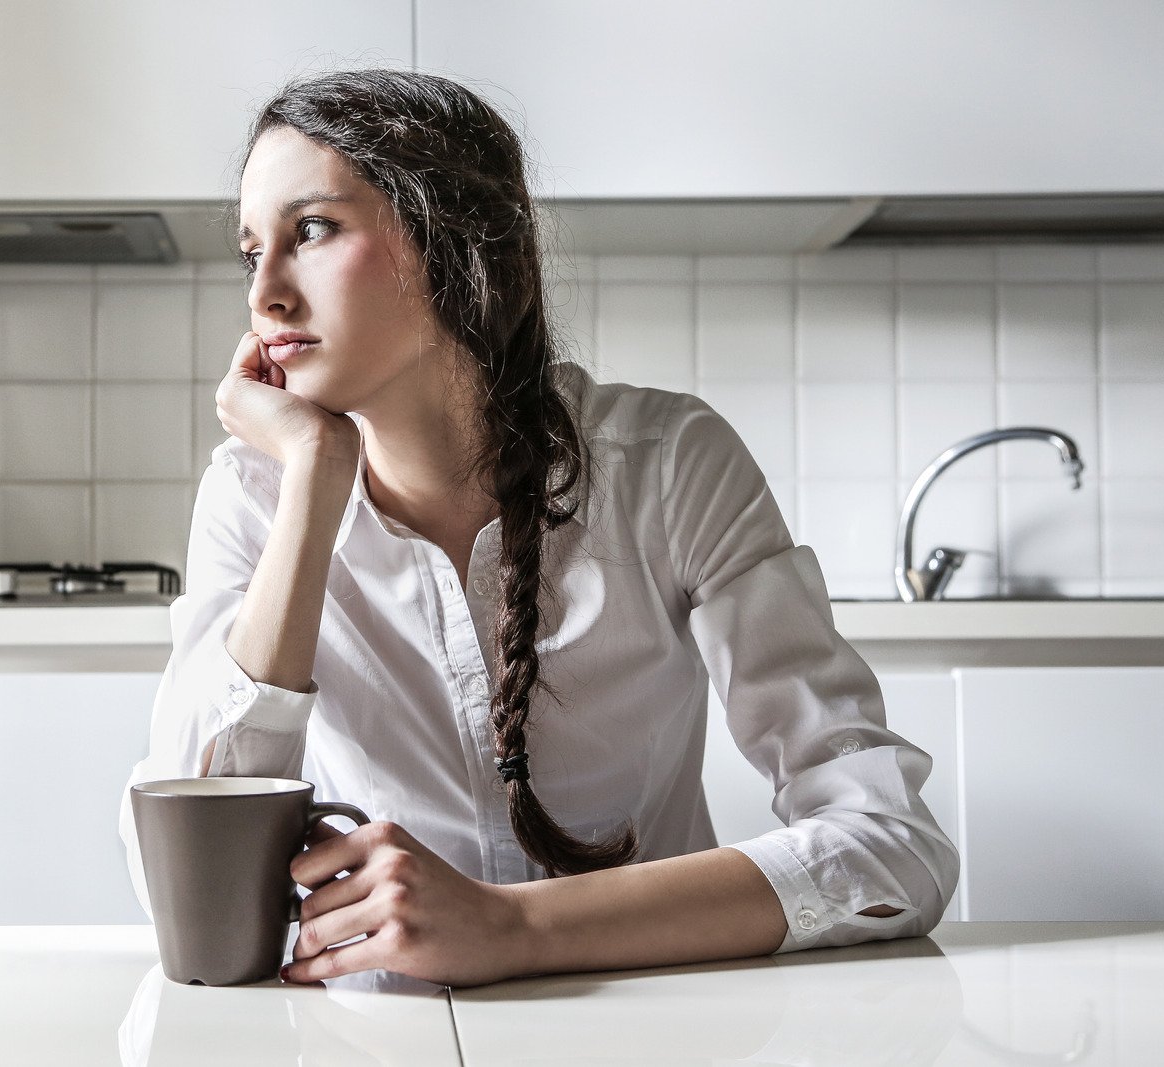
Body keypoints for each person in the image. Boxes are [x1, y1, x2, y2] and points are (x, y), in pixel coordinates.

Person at [117, 67, 959, 988]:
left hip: (652, 1025)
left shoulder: (671, 463)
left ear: (456, 243)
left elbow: (890, 853)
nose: (264, 294)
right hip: (371, 1039)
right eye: (251, 252)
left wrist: (516, 927)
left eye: (311, 230)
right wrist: (315, 480)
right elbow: (187, 892)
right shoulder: (253, 494)